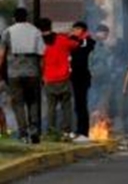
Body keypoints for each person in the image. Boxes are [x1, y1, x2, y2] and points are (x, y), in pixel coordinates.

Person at [0, 8, 45, 143]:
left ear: (14, 18)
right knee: (32, 102)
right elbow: (42, 54)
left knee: (18, 103)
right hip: (32, 72)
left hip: (14, 73)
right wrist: (41, 73)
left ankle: (23, 132)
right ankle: (34, 130)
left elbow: (2, 55)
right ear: (27, 17)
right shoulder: (35, 31)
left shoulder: (8, 31)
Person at [39, 18, 79, 140]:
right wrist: (71, 34)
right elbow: (75, 44)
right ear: (50, 27)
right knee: (66, 106)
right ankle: (66, 131)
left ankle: (51, 130)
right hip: (64, 78)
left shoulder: (40, 43)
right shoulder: (61, 39)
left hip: (48, 79)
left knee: (51, 107)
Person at [69, 21, 96, 142]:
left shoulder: (89, 42)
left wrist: (76, 41)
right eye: (73, 29)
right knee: (76, 105)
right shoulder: (72, 41)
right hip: (73, 76)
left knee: (81, 104)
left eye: (76, 29)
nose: (74, 31)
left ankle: (83, 131)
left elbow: (83, 52)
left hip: (83, 76)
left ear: (82, 30)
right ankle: (77, 130)